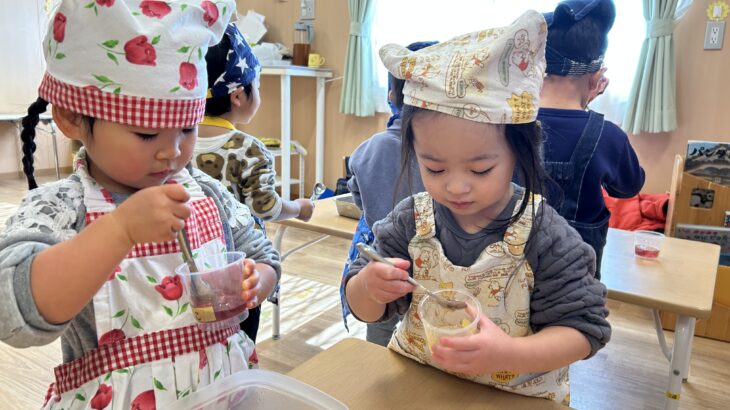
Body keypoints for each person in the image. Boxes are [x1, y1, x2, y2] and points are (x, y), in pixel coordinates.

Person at [2, 1, 280, 408]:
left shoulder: (207, 192)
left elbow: (262, 253)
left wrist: (258, 281)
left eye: (187, 128)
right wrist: (118, 231)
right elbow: (14, 311)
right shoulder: (62, 208)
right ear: (70, 119)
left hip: (223, 388)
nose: (172, 152)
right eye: (147, 134)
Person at [344, 11, 610, 404]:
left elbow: (584, 330)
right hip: (417, 388)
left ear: (519, 155)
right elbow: (364, 310)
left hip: (515, 395)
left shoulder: (543, 234)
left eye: (480, 168)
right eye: (433, 167)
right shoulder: (410, 221)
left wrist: (506, 352)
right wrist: (369, 287)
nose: (455, 186)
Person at [193, 24, 313, 343]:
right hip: (240, 267)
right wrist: (298, 207)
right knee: (239, 341)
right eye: (256, 85)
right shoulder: (249, 148)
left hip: (191, 267)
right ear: (237, 95)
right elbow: (267, 207)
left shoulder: (176, 144)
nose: (258, 92)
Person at [539, 0, 645, 279]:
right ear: (597, 74)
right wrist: (584, 104)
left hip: (509, 273)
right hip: (574, 282)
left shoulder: (508, 125)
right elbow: (629, 187)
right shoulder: (607, 135)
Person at [342, 40, 436, 346]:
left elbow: (359, 201)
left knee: (381, 344)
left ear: (392, 95)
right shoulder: (446, 150)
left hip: (383, 266)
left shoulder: (367, 150)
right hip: (436, 274)